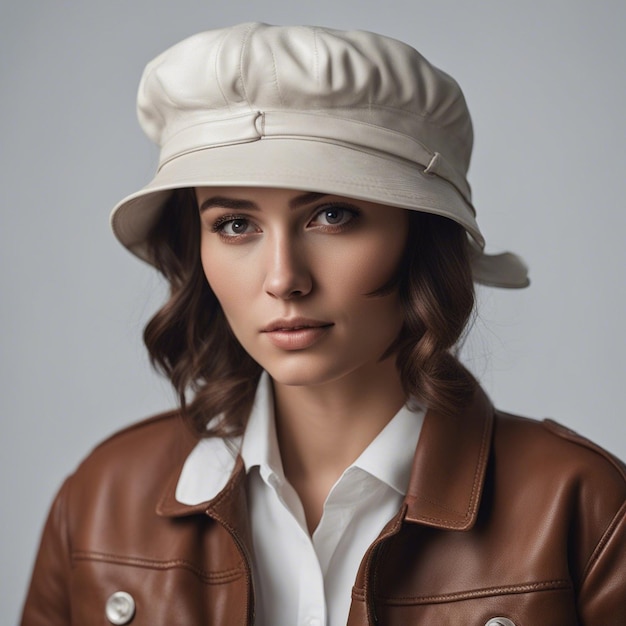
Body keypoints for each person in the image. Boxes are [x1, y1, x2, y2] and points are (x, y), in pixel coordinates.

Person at [21, 22, 626, 626]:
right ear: (197, 246)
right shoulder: (100, 500)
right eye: (235, 224)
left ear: (421, 235)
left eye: (332, 215)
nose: (283, 278)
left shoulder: (584, 507)